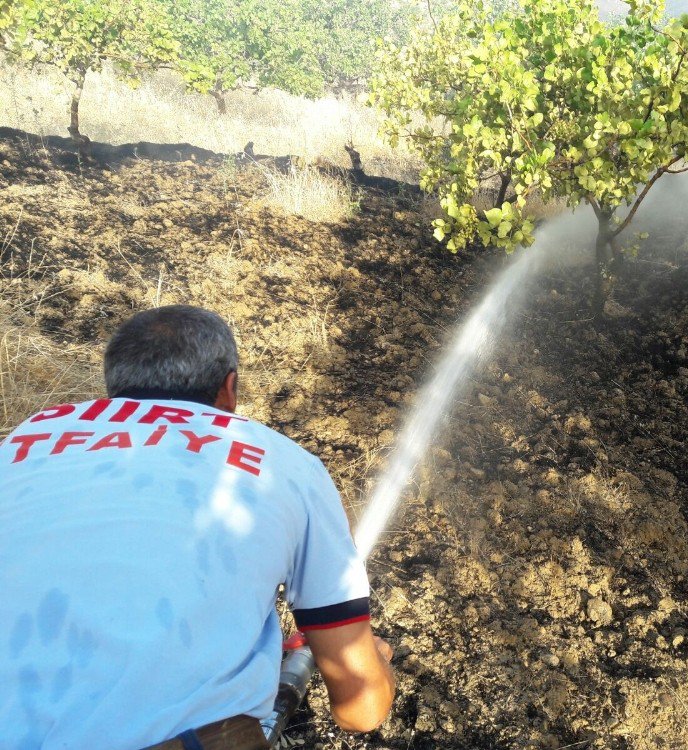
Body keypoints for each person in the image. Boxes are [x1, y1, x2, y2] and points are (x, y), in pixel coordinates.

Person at [0, 305, 395, 749]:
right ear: (229, 389)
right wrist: (377, 668)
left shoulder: (26, 435)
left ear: (114, 388)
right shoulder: (284, 461)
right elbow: (362, 708)